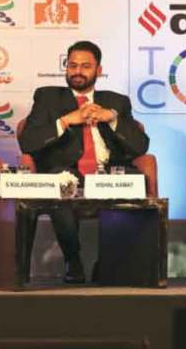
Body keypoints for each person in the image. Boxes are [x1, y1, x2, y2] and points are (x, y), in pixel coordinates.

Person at [18, 41, 150, 283]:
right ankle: (73, 260)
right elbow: (28, 142)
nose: (77, 71)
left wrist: (112, 119)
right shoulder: (47, 97)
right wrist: (66, 121)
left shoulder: (117, 102)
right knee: (61, 185)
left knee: (138, 180)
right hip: (66, 171)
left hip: (108, 172)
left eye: (86, 66)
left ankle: (110, 262)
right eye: (73, 65)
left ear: (98, 70)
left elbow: (140, 147)